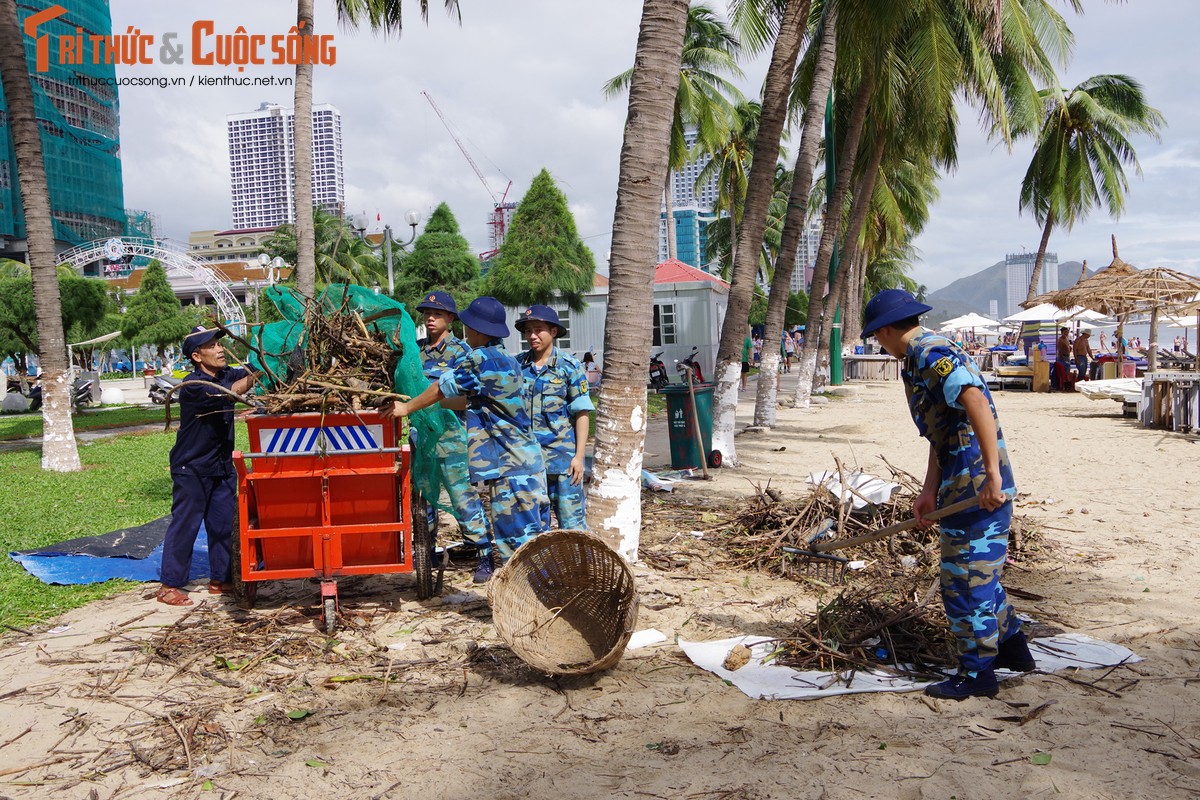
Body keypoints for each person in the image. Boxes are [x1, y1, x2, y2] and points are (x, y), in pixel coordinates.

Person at [861, 289, 1034, 700]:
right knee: (981, 574)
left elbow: (975, 400)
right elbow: (943, 431)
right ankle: (1013, 650)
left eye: (875, 337)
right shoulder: (915, 360)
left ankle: (977, 676)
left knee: (963, 582)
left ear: (886, 330)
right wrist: (928, 490)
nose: (877, 344)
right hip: (959, 482)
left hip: (977, 487)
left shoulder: (930, 351)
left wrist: (992, 474)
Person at [383, 296, 549, 582]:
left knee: (517, 551)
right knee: (535, 545)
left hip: (511, 468)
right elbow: (466, 401)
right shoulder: (506, 360)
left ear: (478, 329)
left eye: (469, 326)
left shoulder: (478, 358)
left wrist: (408, 407)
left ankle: (527, 609)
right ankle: (542, 602)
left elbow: (441, 388)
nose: (466, 331)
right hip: (527, 464)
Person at [157, 325, 256, 606]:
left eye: (219, 344)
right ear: (198, 356)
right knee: (185, 525)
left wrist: (264, 363)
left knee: (223, 525)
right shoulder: (193, 386)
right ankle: (169, 586)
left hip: (221, 466)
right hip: (192, 468)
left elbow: (247, 373)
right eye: (212, 346)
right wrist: (254, 375)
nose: (220, 349)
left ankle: (220, 579)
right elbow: (234, 391)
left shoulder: (225, 373)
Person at [414, 291, 490, 562]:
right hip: (421, 438)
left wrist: (434, 403)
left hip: (452, 436)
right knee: (425, 498)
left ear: (451, 318)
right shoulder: (417, 350)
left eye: (437, 314)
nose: (430, 318)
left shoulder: (462, 352)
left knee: (462, 496)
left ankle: (484, 552)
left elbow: (470, 399)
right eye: (427, 314)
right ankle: (427, 553)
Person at [515, 306, 595, 530]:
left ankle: (578, 566)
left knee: (572, 525)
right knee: (534, 528)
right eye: (528, 331)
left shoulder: (569, 367)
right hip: (528, 461)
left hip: (562, 461)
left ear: (553, 331)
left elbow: (582, 413)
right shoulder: (518, 366)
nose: (532, 336)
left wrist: (579, 457)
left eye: (538, 330)